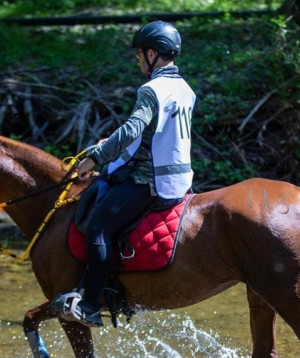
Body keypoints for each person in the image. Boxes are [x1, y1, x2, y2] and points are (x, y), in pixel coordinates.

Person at [51, 20, 197, 328]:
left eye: (140, 55)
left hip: (151, 181)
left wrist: (97, 158)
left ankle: (90, 305)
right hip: (181, 178)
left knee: (99, 227)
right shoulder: (184, 89)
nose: (138, 61)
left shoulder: (151, 89)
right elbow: (156, 137)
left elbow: (133, 130)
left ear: (152, 53)